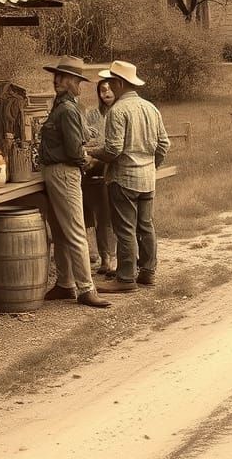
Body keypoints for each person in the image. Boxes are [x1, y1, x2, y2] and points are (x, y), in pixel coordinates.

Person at [38, 55, 110, 309]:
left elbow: (72, 149)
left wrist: (85, 161)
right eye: (57, 76)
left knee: (75, 231)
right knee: (58, 229)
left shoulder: (68, 109)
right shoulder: (61, 106)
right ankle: (65, 282)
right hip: (56, 171)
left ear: (74, 82)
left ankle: (86, 288)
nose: (57, 80)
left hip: (64, 172)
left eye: (64, 77)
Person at [92, 61, 170, 293]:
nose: (110, 88)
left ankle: (126, 278)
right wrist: (152, 165)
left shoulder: (118, 110)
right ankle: (148, 272)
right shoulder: (150, 107)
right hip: (147, 177)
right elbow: (164, 143)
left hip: (124, 177)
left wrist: (92, 152)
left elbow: (113, 150)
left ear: (119, 83)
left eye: (112, 82)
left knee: (125, 228)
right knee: (146, 226)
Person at [83, 80, 117, 276]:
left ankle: (113, 257)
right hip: (93, 169)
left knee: (109, 217)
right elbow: (88, 138)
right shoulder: (93, 114)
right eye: (102, 90)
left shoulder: (119, 112)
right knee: (99, 217)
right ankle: (103, 257)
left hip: (110, 167)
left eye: (109, 89)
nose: (106, 92)